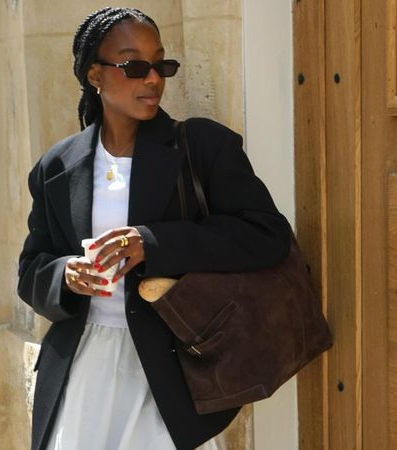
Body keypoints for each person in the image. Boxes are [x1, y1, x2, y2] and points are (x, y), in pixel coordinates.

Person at [18, 6, 291, 450]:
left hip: (171, 372)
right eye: (134, 66)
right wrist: (66, 275)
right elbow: (30, 270)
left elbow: (268, 236)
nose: (152, 79)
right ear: (94, 75)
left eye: (161, 64)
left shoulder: (202, 145)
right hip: (82, 368)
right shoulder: (58, 166)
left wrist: (152, 243)